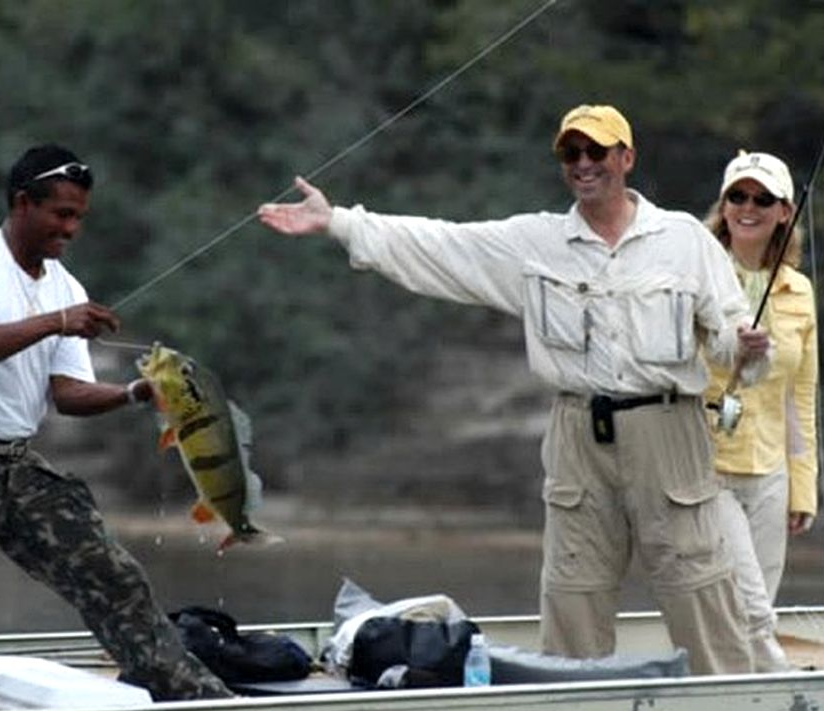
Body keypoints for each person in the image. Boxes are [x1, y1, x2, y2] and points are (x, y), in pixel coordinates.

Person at [258, 104, 772, 675]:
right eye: (570, 154)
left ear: (626, 159)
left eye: (596, 152)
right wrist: (336, 222)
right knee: (573, 593)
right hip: (578, 435)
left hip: (669, 433)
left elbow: (730, 343)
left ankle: (728, 705)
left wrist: (747, 349)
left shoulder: (685, 240)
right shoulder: (534, 241)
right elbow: (439, 246)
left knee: (699, 585)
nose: (583, 164)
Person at [0, 144, 233, 711]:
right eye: (61, 214)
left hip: (18, 468)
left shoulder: (67, 286)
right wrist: (57, 322)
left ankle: (194, 704)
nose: (70, 229)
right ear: (22, 203)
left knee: (116, 580)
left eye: (79, 218)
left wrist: (136, 393)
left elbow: (67, 396)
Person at [703, 151, 819, 665]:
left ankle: (731, 699)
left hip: (771, 472)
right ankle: (782, 691)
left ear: (783, 212)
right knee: (752, 611)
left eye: (762, 199)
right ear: (723, 204)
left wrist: (803, 485)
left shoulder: (800, 291)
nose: (747, 207)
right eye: (737, 196)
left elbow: (800, 397)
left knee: (758, 601)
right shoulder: (696, 273)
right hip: (708, 467)